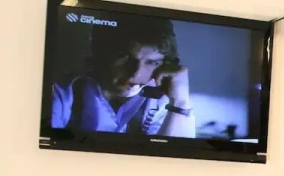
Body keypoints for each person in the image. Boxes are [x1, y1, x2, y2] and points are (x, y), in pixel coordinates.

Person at [50, 16, 195, 138]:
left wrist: (180, 102)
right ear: (102, 52)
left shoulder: (162, 101)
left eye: (151, 62)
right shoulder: (63, 92)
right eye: (125, 58)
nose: (135, 73)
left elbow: (175, 157)